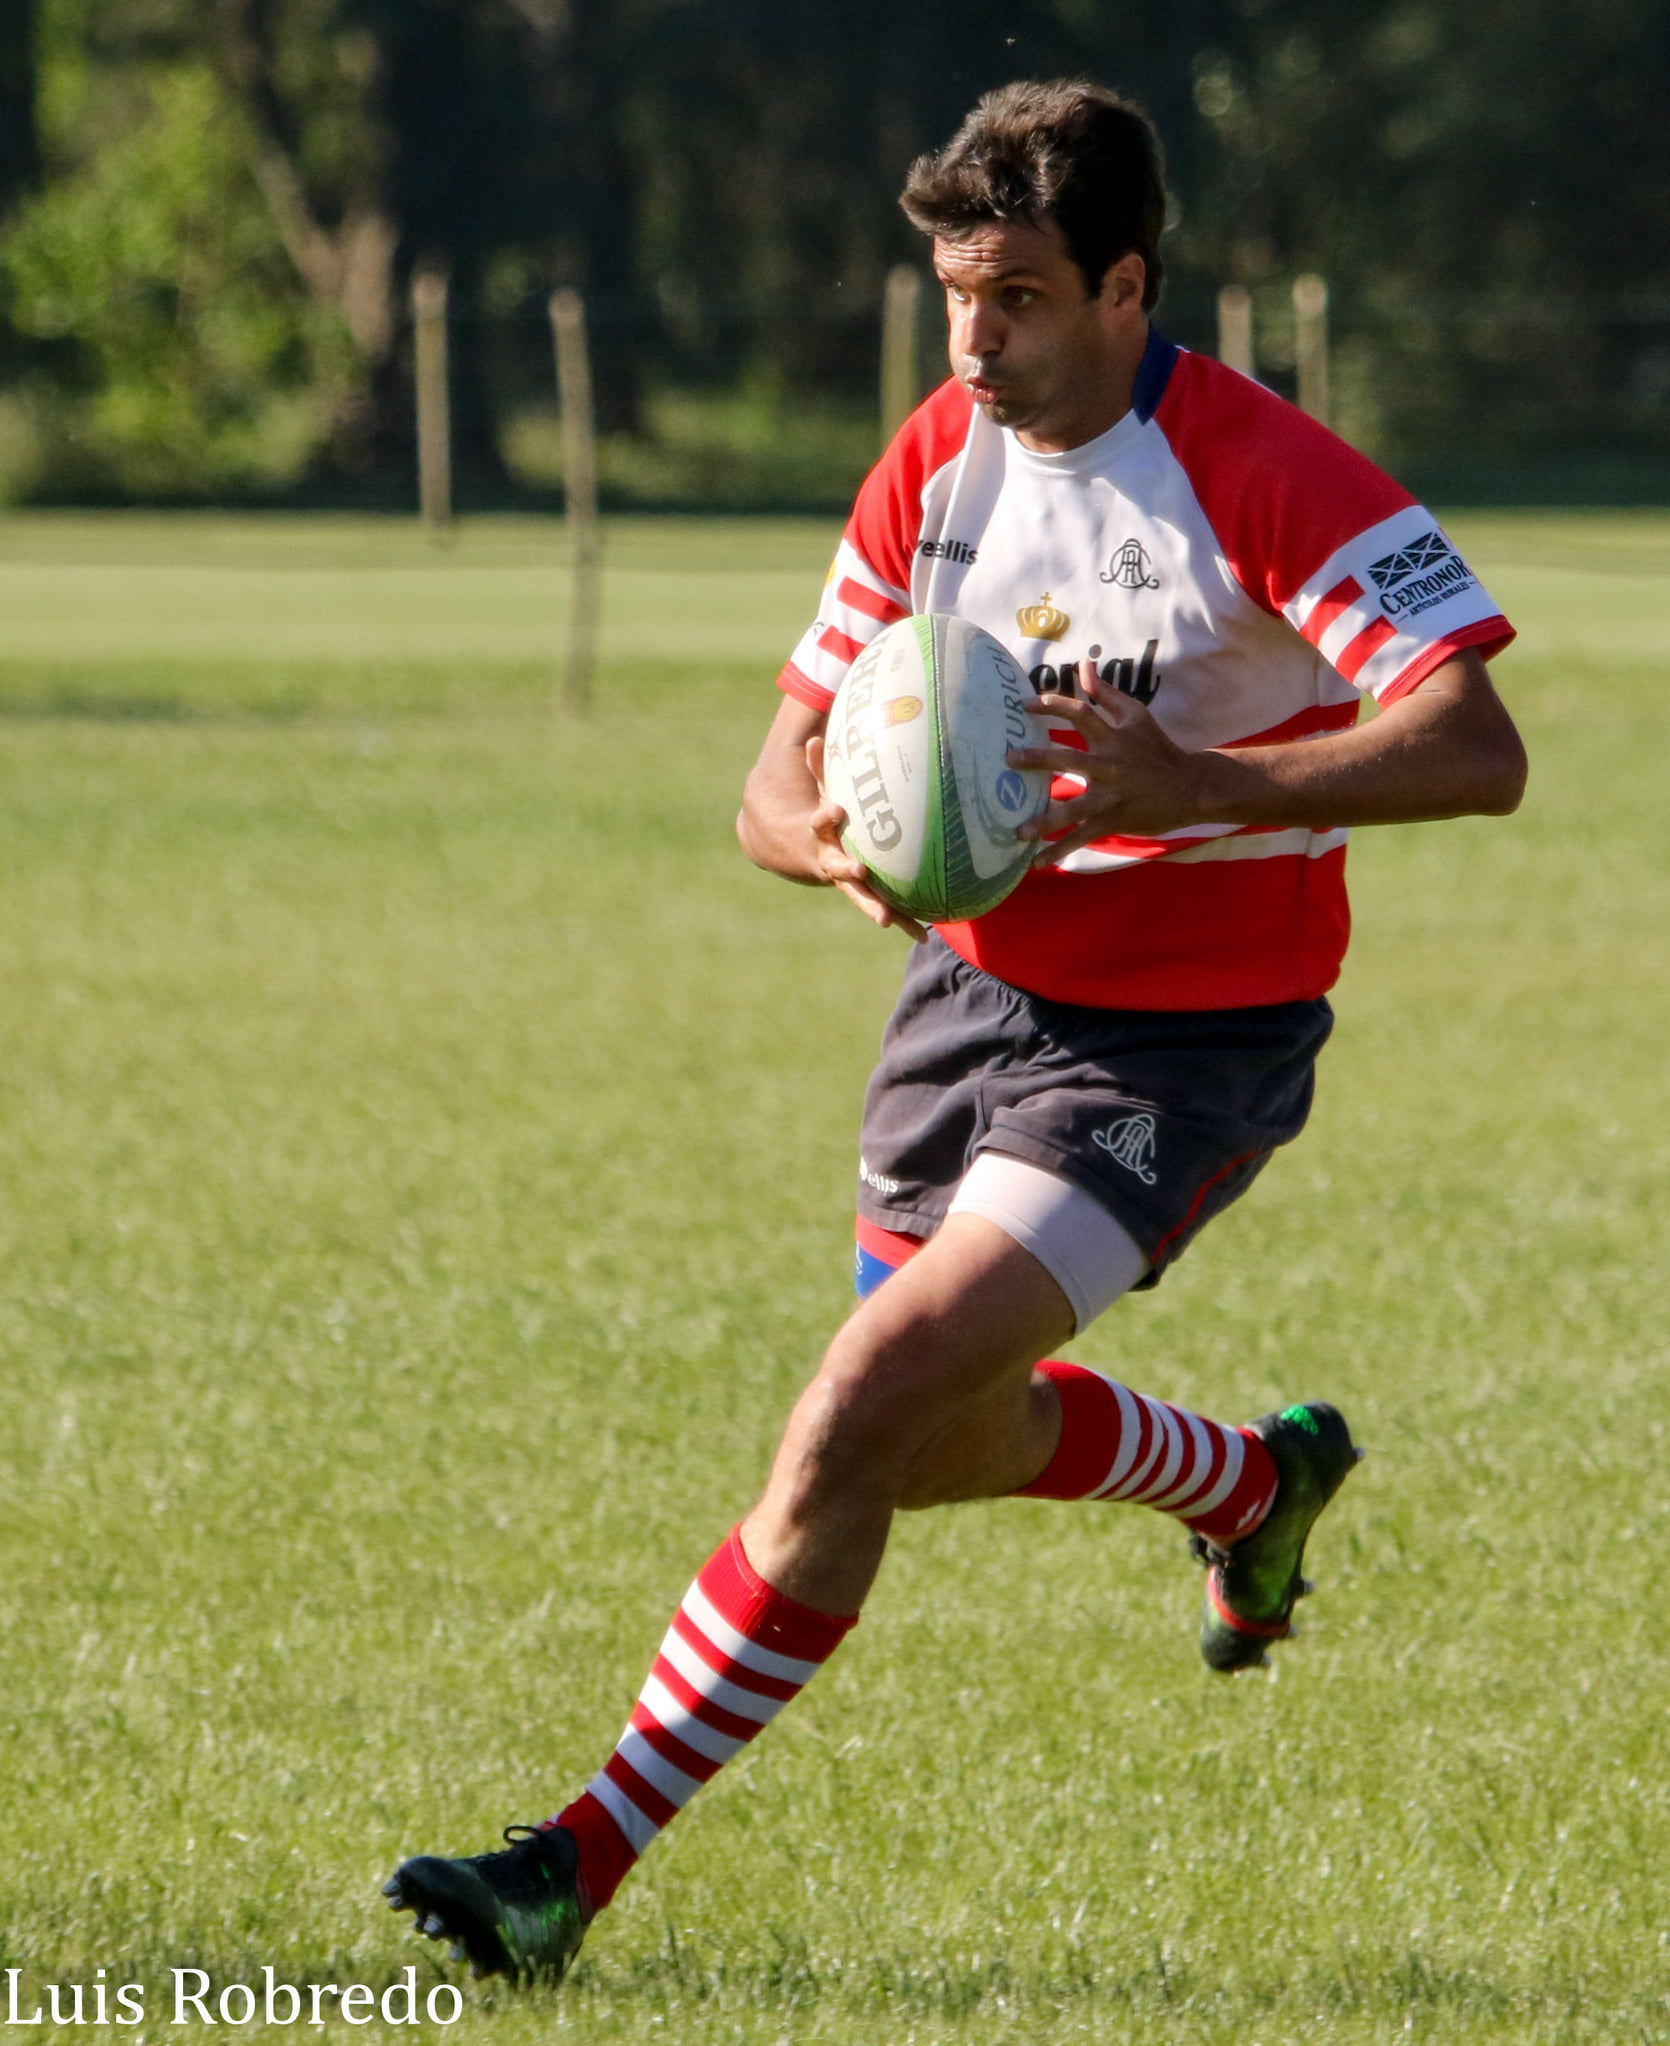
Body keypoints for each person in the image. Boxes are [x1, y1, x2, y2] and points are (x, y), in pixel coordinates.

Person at [383, 79, 1527, 1981]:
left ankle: (566, 1863)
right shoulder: (934, 461)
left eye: (1014, 295)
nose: (972, 341)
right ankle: (1249, 1481)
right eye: (951, 296)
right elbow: (769, 779)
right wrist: (825, 836)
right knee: (921, 1441)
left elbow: (1477, 746)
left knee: (852, 1406)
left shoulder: (1263, 470)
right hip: (968, 998)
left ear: (1124, 286)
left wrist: (1199, 780)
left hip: (1182, 1038)